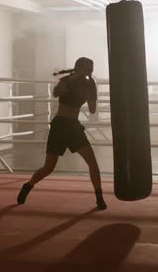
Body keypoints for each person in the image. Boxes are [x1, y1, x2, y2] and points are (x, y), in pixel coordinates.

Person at [16, 57, 107, 209]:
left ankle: (99, 198)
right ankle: (28, 185)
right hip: (60, 125)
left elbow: (92, 110)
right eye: (87, 69)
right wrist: (69, 82)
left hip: (73, 127)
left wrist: (92, 95)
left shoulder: (90, 83)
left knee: (92, 163)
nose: (89, 72)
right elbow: (55, 93)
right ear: (79, 68)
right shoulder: (67, 80)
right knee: (48, 168)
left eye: (91, 69)